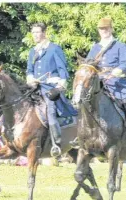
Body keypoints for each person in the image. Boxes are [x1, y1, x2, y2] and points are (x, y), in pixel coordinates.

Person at [26, 22, 77, 157]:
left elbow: (62, 69)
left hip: (49, 88)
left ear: (44, 33)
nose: (35, 35)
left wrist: (61, 85)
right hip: (34, 88)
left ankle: (56, 144)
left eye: (38, 32)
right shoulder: (33, 51)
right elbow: (29, 71)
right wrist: (31, 79)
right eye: (33, 33)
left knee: (50, 111)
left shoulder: (54, 49)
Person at [86, 17, 126, 105]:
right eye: (101, 28)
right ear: (99, 30)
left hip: (117, 82)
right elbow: (88, 64)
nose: (104, 30)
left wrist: (114, 72)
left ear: (111, 29)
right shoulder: (95, 48)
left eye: (106, 28)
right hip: (98, 81)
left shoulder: (120, 46)